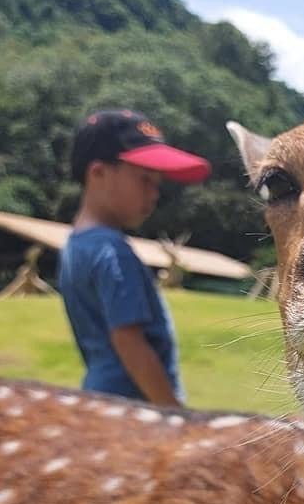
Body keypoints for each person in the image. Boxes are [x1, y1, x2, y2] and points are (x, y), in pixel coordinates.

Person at [59, 109, 210, 406]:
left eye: (157, 183)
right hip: (132, 412)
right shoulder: (112, 251)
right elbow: (130, 343)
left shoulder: (75, 245)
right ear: (99, 173)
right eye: (145, 180)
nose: (154, 194)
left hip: (99, 400)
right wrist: (174, 415)